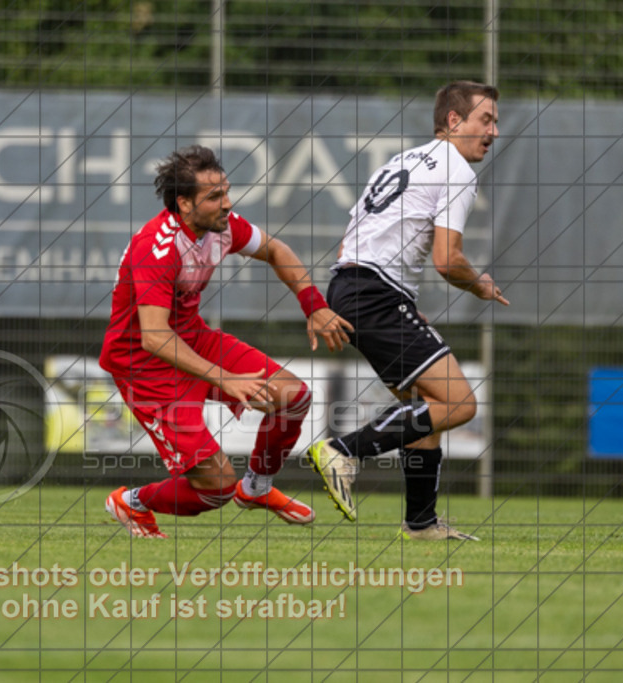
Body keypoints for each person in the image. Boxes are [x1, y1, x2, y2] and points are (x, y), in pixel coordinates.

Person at [100, 144, 352, 538]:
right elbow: (153, 336)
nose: (227, 203)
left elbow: (276, 250)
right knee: (215, 487)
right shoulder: (157, 247)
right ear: (184, 203)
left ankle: (256, 489)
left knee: (292, 396)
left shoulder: (222, 226)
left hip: (193, 339)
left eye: (226, 191)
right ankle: (132, 501)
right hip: (144, 364)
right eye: (214, 196)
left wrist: (314, 306)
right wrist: (225, 379)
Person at [308, 81, 509, 541]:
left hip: (350, 285)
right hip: (376, 294)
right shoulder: (456, 169)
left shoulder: (401, 160)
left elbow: (351, 237)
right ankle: (344, 449)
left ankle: (421, 523)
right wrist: (479, 284)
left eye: (496, 122)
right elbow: (447, 260)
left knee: (423, 409)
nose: (494, 131)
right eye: (486, 120)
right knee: (458, 403)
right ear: (454, 121)